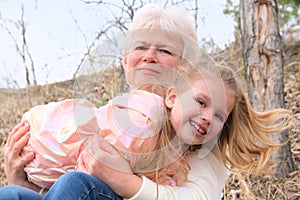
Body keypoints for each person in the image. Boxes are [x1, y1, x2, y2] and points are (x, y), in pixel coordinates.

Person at [0, 3, 296, 200]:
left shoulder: (204, 136)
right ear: (126, 60)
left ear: (185, 69)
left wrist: (124, 178)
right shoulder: (112, 116)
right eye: (140, 46)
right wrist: (25, 180)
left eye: (165, 51)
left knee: (74, 184)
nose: (149, 55)